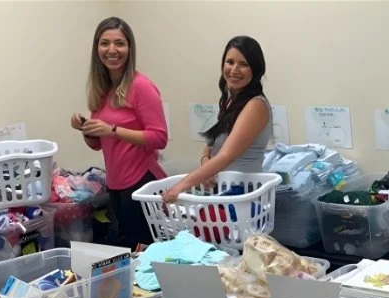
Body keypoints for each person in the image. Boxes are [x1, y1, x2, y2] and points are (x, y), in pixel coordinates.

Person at [72, 17, 168, 249]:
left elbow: (159, 138)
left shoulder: (141, 86)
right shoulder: (103, 89)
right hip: (115, 184)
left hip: (141, 181)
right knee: (129, 251)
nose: (112, 50)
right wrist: (86, 130)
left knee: (144, 251)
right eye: (105, 43)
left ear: (129, 48)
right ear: (97, 48)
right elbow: (99, 144)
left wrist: (114, 130)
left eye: (119, 43)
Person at [160, 36, 273, 205]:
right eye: (230, 62)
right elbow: (211, 145)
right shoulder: (231, 101)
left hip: (242, 196)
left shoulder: (256, 105)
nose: (234, 70)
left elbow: (226, 155)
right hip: (222, 191)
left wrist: (180, 187)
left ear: (255, 69)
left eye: (243, 64)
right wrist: (206, 162)